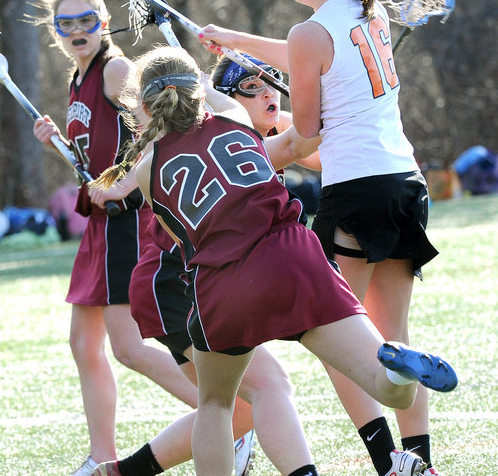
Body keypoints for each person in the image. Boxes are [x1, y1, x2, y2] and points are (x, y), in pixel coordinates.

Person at [94, 45, 457, 476]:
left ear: (142, 105)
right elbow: (226, 104)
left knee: (215, 403)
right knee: (385, 385)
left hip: (223, 281)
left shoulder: (146, 170)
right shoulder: (233, 116)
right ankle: (399, 367)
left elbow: (182, 237)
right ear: (198, 91)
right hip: (292, 258)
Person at [199, 0, 446, 476]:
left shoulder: (308, 32)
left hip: (355, 189)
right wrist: (236, 41)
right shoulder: (371, 13)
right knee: (394, 337)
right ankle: (421, 464)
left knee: (341, 340)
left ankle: (390, 464)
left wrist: (251, 156)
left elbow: (306, 131)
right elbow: (309, 54)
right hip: (405, 182)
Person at [88, 55, 322, 476]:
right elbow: (297, 143)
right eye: (251, 86)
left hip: (185, 285)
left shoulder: (220, 134)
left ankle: (122, 472)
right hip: (176, 286)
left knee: (237, 410)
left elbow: (305, 148)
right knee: (263, 389)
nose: (268, 93)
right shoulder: (226, 138)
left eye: (271, 84)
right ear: (211, 100)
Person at [23, 0, 198, 476]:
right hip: (99, 222)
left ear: (104, 22)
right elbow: (95, 161)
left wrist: (129, 184)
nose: (77, 30)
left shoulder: (114, 68)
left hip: (125, 220)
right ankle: (100, 456)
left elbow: (157, 125)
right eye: (67, 23)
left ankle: (229, 417)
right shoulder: (77, 79)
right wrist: (57, 143)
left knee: (129, 347)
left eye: (86, 21)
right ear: (55, 31)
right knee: (85, 346)